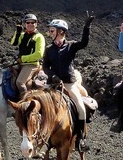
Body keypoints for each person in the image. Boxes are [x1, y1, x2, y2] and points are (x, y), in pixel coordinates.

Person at [42, 14, 94, 152]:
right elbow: (45, 67)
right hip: (53, 85)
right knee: (40, 106)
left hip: (69, 83)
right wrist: (52, 76)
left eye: (52, 30)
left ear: (61, 32)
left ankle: (81, 140)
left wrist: (87, 27)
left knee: (81, 108)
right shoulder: (48, 49)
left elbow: (84, 43)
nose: (49, 33)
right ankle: (40, 138)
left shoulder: (71, 46)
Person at [11, 13, 45, 96]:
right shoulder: (22, 35)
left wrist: (23, 59)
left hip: (31, 65)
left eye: (32, 23)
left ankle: (25, 102)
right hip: (20, 63)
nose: (30, 24)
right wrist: (18, 33)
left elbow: (39, 54)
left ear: (36, 24)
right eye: (28, 23)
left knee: (20, 82)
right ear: (25, 24)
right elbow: (13, 43)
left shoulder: (39, 37)